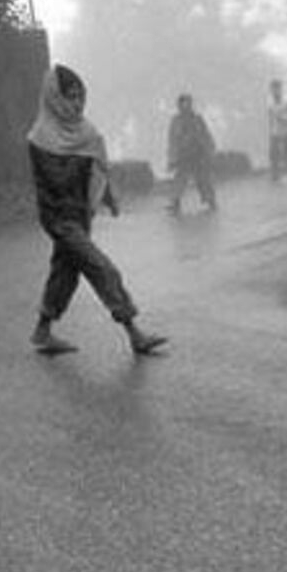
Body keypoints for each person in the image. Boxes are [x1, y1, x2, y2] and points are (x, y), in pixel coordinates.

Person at [26, 64, 167, 356]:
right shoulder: (40, 138)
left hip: (80, 215)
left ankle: (42, 331)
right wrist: (83, 155)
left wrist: (107, 195)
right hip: (58, 217)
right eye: (71, 97)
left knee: (65, 272)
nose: (77, 103)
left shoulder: (85, 132)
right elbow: (57, 180)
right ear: (55, 98)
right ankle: (134, 333)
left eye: (81, 96)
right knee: (102, 268)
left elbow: (99, 167)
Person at [166, 93, 217, 214]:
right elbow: (172, 140)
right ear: (179, 106)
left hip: (198, 154)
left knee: (203, 179)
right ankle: (175, 202)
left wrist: (210, 148)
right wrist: (172, 158)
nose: (186, 107)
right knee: (180, 179)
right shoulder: (176, 121)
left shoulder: (197, 119)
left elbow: (205, 134)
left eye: (188, 103)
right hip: (183, 155)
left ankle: (211, 201)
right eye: (183, 104)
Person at [268, 79, 287, 183]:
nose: (275, 91)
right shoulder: (270, 103)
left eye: (277, 89)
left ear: (280, 89)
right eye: (273, 89)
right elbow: (270, 118)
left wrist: (285, 119)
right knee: (274, 154)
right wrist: (271, 130)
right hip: (275, 132)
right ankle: (275, 175)